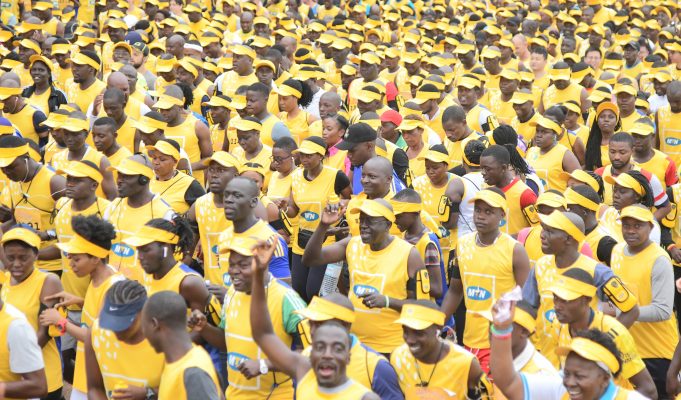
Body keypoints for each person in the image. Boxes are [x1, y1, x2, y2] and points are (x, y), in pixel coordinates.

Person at [249, 239, 380, 399]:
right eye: (319, 347)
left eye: (337, 348)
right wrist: (259, 277)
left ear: (348, 356)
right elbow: (263, 335)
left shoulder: (372, 375)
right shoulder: (305, 365)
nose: (326, 355)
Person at [303, 198, 429, 356]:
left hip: (391, 349)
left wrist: (387, 301)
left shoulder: (409, 254)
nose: (363, 225)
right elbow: (310, 259)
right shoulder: (352, 244)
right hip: (354, 346)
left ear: (387, 225)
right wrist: (323, 225)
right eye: (361, 220)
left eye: (370, 221)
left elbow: (422, 307)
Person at [189, 234, 306, 399]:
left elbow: (309, 354)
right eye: (231, 264)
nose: (233, 271)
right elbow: (226, 342)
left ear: (263, 263)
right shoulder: (232, 293)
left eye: (243, 265)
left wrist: (264, 365)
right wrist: (204, 328)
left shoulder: (286, 299)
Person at [440, 188, 530, 373]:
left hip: (499, 343)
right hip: (469, 341)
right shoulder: (462, 244)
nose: (480, 216)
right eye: (478, 210)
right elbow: (455, 291)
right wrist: (436, 323)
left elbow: (527, 300)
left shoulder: (515, 250)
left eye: (488, 212)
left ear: (502, 215)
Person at [490, 300, 649, 400]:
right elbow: (508, 382)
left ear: (605, 379)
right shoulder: (560, 389)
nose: (570, 383)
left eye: (580, 376)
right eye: (566, 373)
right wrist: (501, 329)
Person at [39, 215, 125, 400]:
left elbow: (96, 337)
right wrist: (79, 301)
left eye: (76, 259)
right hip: (86, 372)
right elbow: (99, 313)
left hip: (101, 379)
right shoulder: (98, 278)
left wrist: (60, 321)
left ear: (96, 258)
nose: (71, 265)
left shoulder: (114, 288)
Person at [548, 267, 656, 398]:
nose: (557, 306)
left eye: (566, 300)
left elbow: (648, 389)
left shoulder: (614, 332)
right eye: (555, 298)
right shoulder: (558, 325)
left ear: (587, 299)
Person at [48, 160, 111, 378]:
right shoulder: (62, 206)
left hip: (97, 302)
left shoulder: (107, 211)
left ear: (94, 185)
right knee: (67, 364)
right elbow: (61, 248)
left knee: (96, 362)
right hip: (69, 301)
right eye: (69, 179)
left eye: (77, 180)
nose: (70, 183)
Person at [611, 205, 678, 398]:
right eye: (626, 225)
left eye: (637, 226)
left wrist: (628, 314)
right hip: (627, 350)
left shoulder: (659, 259)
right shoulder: (616, 251)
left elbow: (663, 310)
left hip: (657, 352)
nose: (631, 231)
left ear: (650, 227)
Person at [280, 136, 351, 301]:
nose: (304, 159)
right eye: (302, 155)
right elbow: (294, 210)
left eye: (309, 155)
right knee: (298, 290)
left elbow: (350, 198)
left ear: (321, 156)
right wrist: (284, 208)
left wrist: (339, 205)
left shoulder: (336, 176)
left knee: (314, 290)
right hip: (301, 241)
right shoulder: (295, 177)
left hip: (326, 241)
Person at [294, 294, 404, 399]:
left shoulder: (375, 366)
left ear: (345, 325)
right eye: (311, 324)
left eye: (319, 324)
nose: (312, 331)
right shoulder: (307, 354)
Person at [0, 227, 64, 399]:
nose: (16, 263)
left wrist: (18, 362)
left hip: (40, 376)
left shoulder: (48, 281)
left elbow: (44, 333)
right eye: (10, 258)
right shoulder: (6, 280)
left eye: (23, 258)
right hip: (14, 378)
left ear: (36, 255)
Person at [85, 279, 165, 399]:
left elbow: (182, 390)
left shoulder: (165, 340)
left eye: (125, 322)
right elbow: (94, 388)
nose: (116, 329)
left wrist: (147, 393)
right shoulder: (96, 333)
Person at [391, 301, 490, 398]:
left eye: (419, 333)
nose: (410, 340)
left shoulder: (467, 364)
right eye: (406, 331)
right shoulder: (398, 357)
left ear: (437, 329)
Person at [0, 135, 66, 273]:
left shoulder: (55, 182)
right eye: (2, 169)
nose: (6, 173)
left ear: (26, 157)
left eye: (11, 167)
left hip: (53, 266)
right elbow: (17, 221)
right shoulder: (14, 182)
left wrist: (48, 234)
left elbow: (72, 230)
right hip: (24, 264)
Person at [104, 154, 175, 281]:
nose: (119, 180)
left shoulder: (164, 213)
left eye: (126, 176)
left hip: (146, 289)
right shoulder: (112, 207)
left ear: (143, 179)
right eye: (119, 175)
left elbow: (171, 261)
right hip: (113, 288)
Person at [142, 291, 221, 400]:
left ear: (154, 324)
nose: (144, 333)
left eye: (143, 326)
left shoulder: (193, 373)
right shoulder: (193, 355)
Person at [124, 217, 210, 313]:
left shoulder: (189, 283)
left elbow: (201, 322)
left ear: (165, 248)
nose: (139, 257)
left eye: (146, 250)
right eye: (138, 250)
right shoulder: (145, 276)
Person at [219, 176, 290, 286]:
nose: (228, 200)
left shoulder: (271, 240)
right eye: (226, 195)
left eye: (237, 195)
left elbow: (283, 288)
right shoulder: (224, 235)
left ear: (253, 202)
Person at [187, 152, 239, 287]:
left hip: (241, 290)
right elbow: (187, 252)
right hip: (212, 289)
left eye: (221, 170)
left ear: (236, 176)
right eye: (211, 170)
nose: (214, 175)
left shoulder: (250, 206)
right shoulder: (198, 206)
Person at [392, 189, 445, 304]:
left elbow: (437, 289)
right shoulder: (404, 236)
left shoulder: (428, 243)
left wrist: (404, 282)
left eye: (399, 216)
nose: (394, 220)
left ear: (415, 213)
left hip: (428, 308)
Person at [50, 113, 118, 200]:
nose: (70, 139)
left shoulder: (100, 160)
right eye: (66, 134)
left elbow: (112, 195)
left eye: (75, 134)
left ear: (86, 134)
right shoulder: (56, 158)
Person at [154, 85, 212, 184]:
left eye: (168, 109)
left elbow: (209, 159)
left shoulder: (198, 127)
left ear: (180, 107)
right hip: (163, 186)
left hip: (191, 186)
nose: (163, 113)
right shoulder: (156, 127)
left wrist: (187, 167)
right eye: (161, 109)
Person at [479, 144, 538, 235]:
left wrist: (507, 240)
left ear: (503, 168)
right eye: (481, 168)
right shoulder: (485, 190)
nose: (483, 173)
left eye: (488, 169)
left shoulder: (525, 194)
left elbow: (537, 230)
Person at [147, 139, 205, 214]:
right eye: (154, 158)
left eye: (162, 159)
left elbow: (204, 211)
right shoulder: (147, 179)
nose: (156, 162)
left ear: (175, 161)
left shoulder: (189, 184)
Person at [564, 184, 618, 266]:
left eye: (569, 209)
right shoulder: (571, 234)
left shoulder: (605, 243)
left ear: (584, 211)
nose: (565, 213)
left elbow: (619, 272)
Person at [525, 115, 580, 192]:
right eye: (537, 131)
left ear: (554, 135)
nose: (538, 135)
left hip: (557, 198)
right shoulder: (531, 151)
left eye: (544, 132)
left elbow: (579, 182)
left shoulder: (564, 154)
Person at [0, 79, 49, 146]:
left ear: (16, 97)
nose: (2, 103)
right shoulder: (2, 114)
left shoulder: (36, 115)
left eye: (5, 99)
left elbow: (47, 144)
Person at [246, 82, 293, 147]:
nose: (248, 104)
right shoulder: (246, 122)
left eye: (252, 100)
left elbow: (290, 150)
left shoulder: (277, 126)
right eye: (247, 100)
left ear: (266, 100)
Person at [276, 78, 319, 143]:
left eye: (285, 98)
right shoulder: (279, 117)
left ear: (296, 97)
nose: (281, 102)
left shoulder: (310, 120)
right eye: (279, 99)